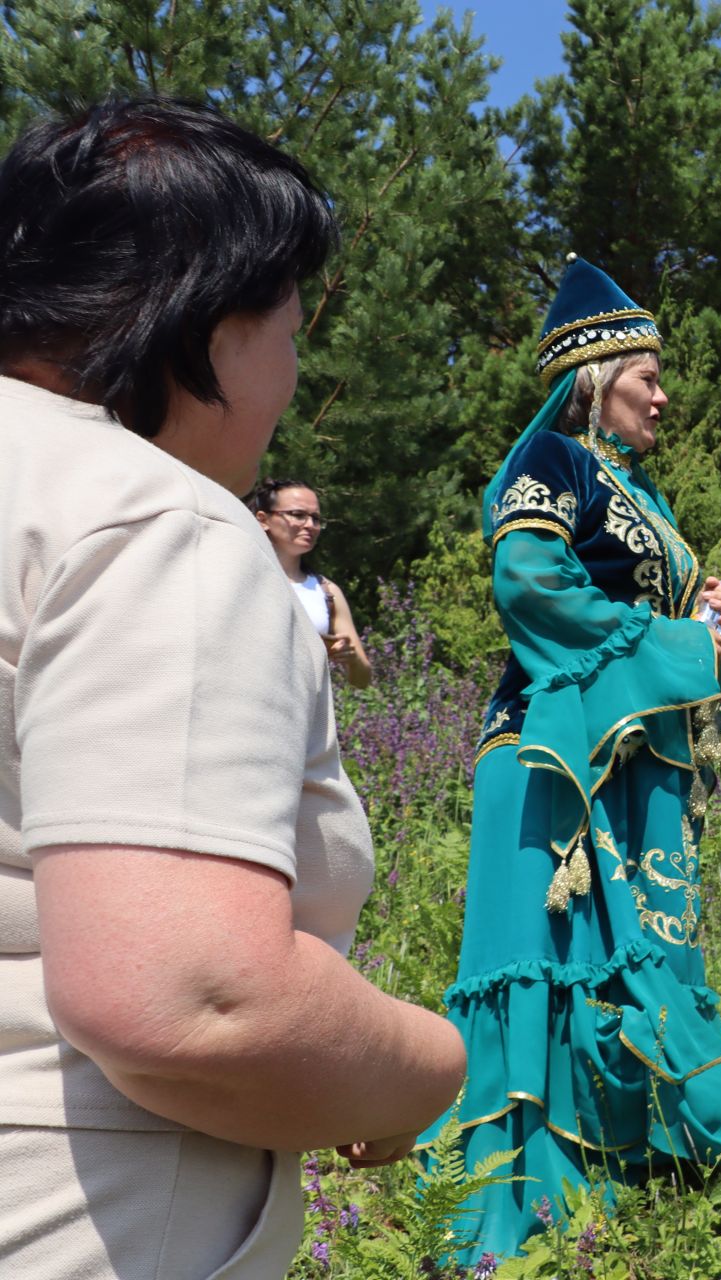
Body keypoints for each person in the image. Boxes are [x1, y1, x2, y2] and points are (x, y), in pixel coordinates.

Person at [0, 98, 465, 1279]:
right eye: (291, 333)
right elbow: (193, 996)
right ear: (200, 321)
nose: (296, 379)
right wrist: (423, 1061)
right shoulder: (156, 521)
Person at [436, 256, 721, 1263]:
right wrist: (678, 642)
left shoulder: (643, 490)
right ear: (596, 378)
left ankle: (620, 1174)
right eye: (650, 376)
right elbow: (530, 583)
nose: (665, 395)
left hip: (629, 757)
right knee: (548, 957)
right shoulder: (551, 457)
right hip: (554, 757)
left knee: (632, 951)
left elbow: (631, 616)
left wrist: (702, 621)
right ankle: (518, 1206)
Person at [247, 477, 373, 688]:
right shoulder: (244, 579)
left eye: (315, 518)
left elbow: (362, 680)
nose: (310, 525)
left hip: (305, 718)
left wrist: (351, 658)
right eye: (298, 515)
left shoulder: (327, 592)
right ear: (263, 520)